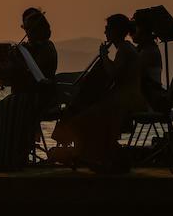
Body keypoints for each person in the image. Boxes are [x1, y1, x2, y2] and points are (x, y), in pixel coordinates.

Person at [51, 14, 145, 172]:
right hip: (123, 97)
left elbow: (113, 73)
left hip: (125, 99)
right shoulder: (126, 48)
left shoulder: (124, 49)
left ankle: (92, 156)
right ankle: (94, 156)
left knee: (86, 118)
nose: (105, 31)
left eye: (108, 28)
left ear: (116, 30)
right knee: (89, 115)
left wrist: (103, 56)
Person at [0, 8, 58, 171]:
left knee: (3, 109)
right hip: (25, 96)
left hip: (39, 96)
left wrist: (18, 63)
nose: (28, 34)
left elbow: (35, 76)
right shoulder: (30, 49)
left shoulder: (47, 48)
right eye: (27, 30)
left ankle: (7, 155)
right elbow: (18, 76)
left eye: (30, 30)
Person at [132, 11, 168, 112]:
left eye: (135, 27)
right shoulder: (148, 49)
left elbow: (133, 74)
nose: (131, 33)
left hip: (150, 102)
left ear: (142, 30)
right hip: (151, 97)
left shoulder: (148, 51)